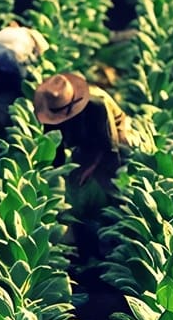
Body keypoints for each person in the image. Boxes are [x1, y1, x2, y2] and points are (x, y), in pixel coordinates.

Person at [33, 72, 153, 255]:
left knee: (110, 182)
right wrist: (51, 180)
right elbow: (54, 150)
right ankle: (80, 243)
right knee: (74, 186)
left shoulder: (97, 105)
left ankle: (115, 235)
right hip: (85, 145)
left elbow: (107, 144)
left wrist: (90, 168)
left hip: (114, 137)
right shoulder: (51, 111)